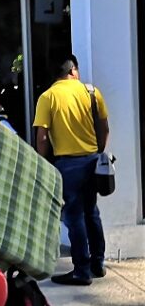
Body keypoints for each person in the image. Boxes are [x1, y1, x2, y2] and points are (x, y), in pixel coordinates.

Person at [33, 54, 109, 286]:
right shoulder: (91, 92)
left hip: (67, 165)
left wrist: (43, 162)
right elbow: (104, 127)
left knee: (74, 217)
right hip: (92, 161)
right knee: (91, 212)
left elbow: (42, 137)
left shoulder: (48, 97)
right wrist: (98, 152)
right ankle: (97, 263)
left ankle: (81, 270)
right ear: (73, 71)